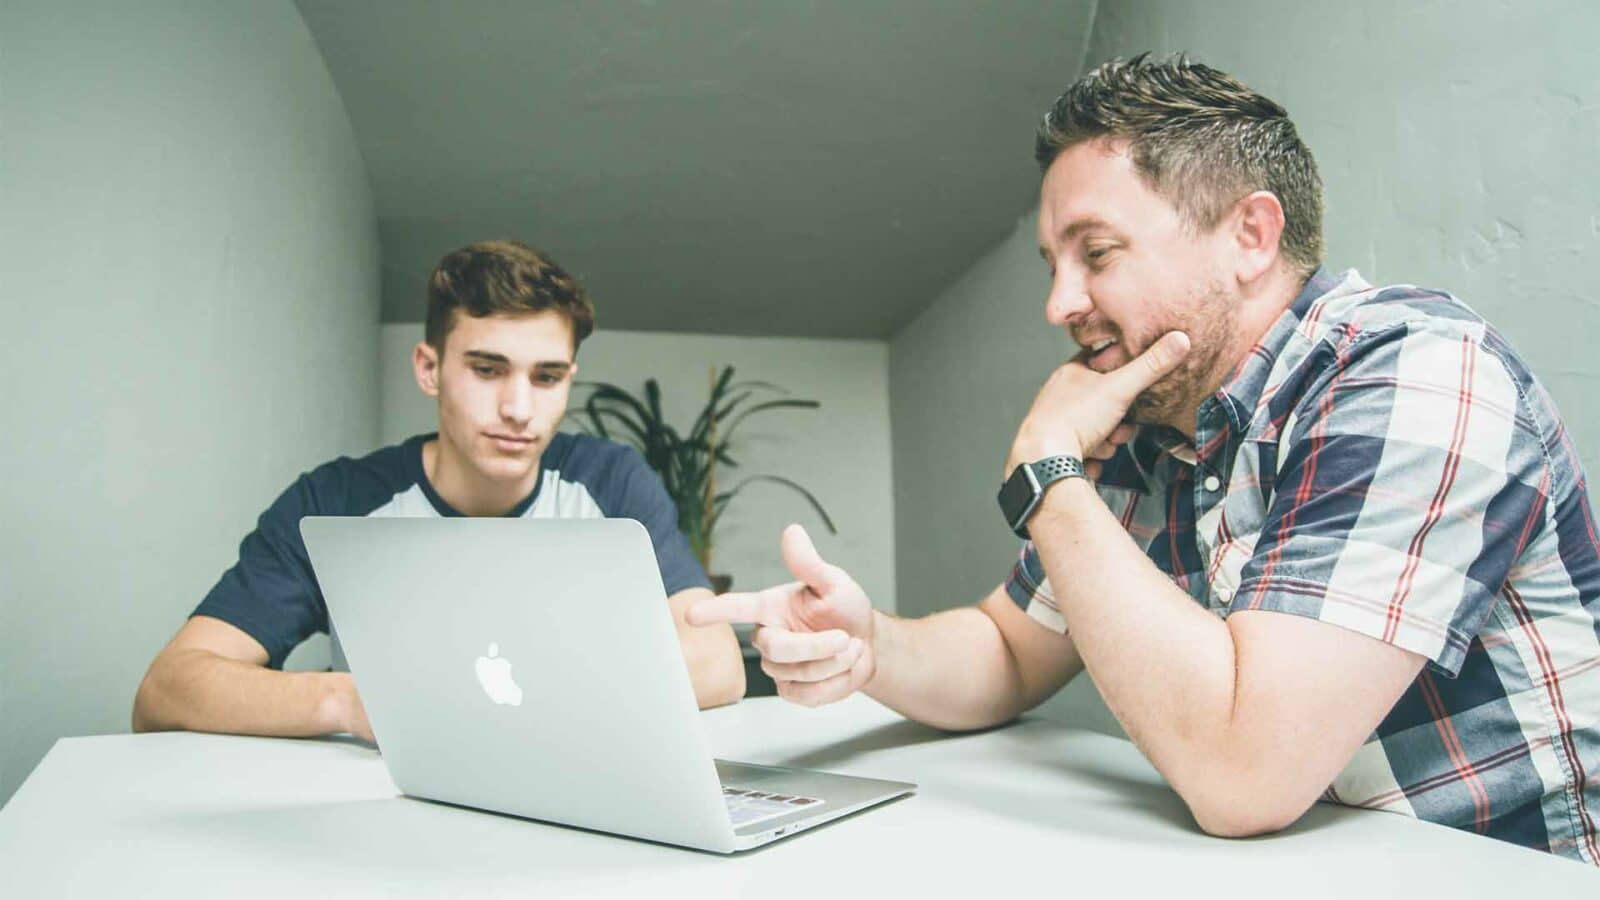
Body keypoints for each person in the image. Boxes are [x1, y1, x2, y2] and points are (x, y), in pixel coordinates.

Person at [690, 55, 1600, 862]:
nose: (1060, 302)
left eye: (1097, 254)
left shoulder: (1415, 372)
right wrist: (871, 645)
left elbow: (1246, 775)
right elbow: (1010, 649)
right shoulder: (1157, 422)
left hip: (1504, 870)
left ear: (1251, 235)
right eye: (1053, 262)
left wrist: (1049, 471)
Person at [134, 240, 745, 741]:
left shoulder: (610, 481)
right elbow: (168, 689)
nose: (518, 408)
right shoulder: (337, 501)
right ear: (430, 368)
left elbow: (717, 664)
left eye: (547, 377)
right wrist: (352, 703)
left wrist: (506, 693)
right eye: (487, 369)